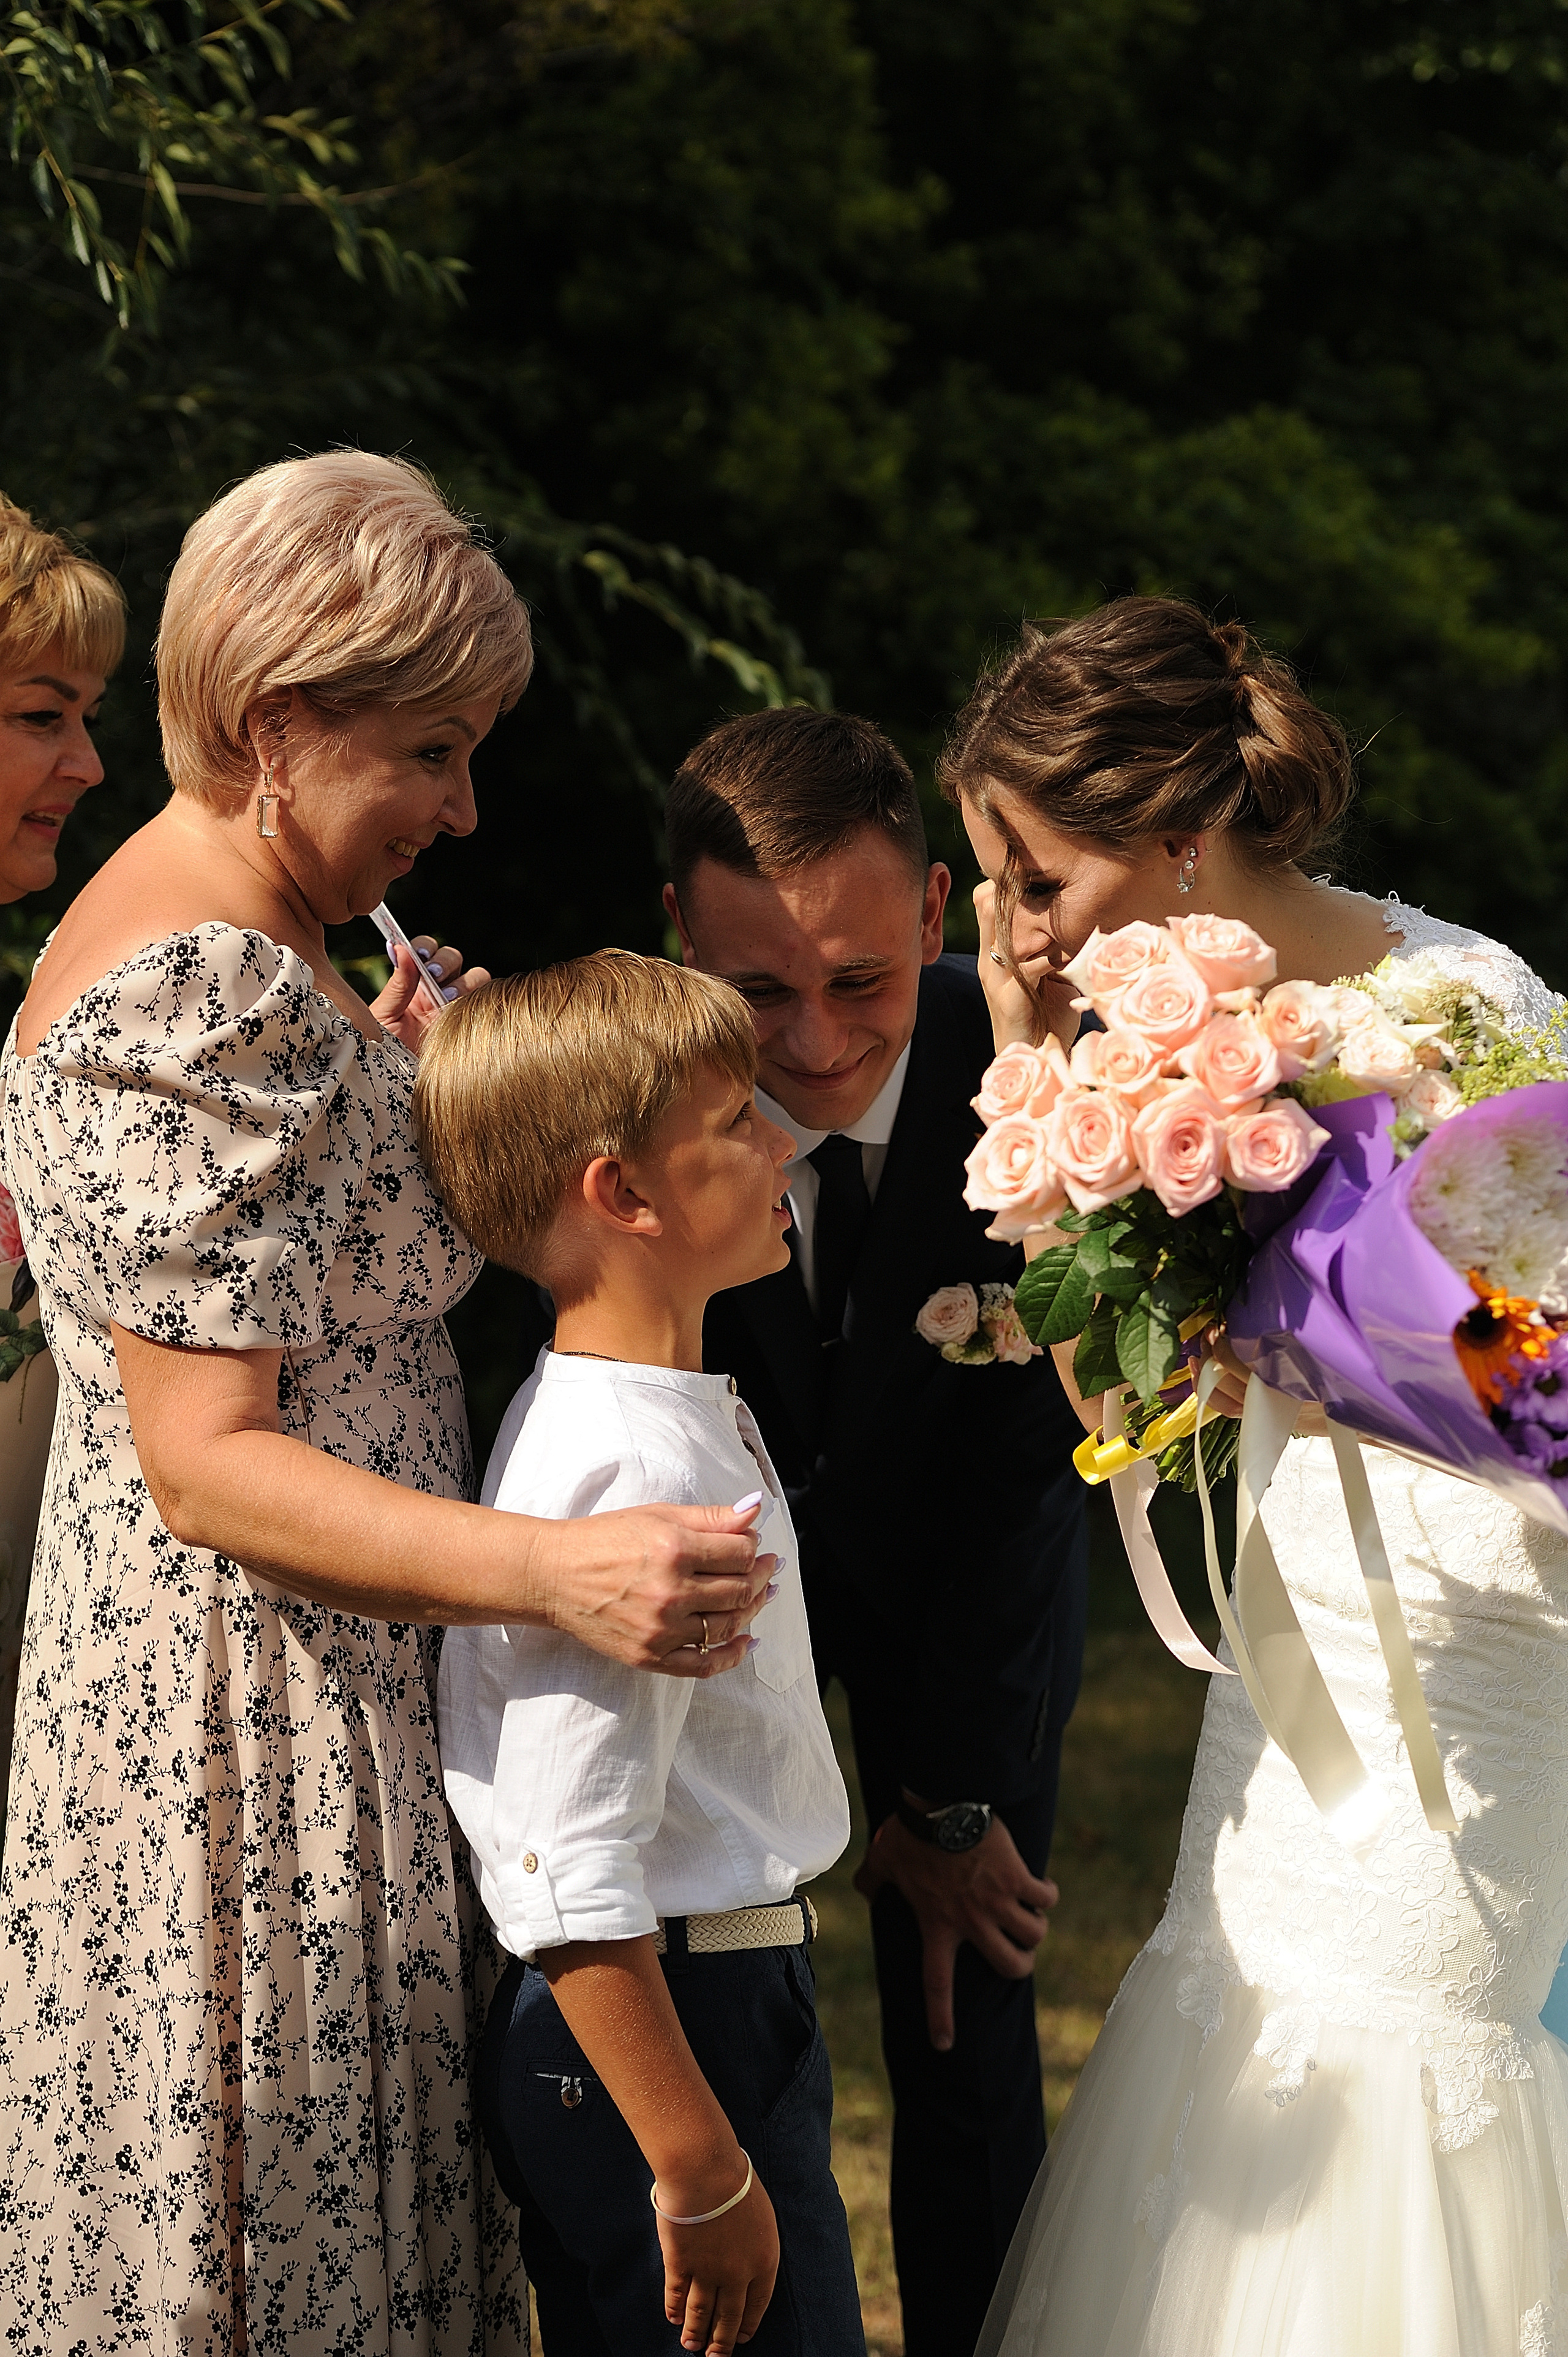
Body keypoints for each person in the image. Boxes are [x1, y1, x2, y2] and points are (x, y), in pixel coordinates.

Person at [0, 453, 774, 2357]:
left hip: (328, 1698)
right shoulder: (203, 990)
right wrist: (559, 1574)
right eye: (429, 751)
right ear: (280, 723)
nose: (463, 805)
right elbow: (206, 1466)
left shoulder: (284, 945)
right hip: (246, 1742)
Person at [944, 597, 1568, 2357]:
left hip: (1471, 1645)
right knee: (1239, 2019)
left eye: (1035, 877)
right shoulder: (1133, 1060)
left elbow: (1538, 1384)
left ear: (1176, 842)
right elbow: (1111, 1405)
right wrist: (1031, 1063)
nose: (1019, 923)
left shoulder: (1466, 1009)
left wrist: (1352, 1345)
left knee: (1404, 2055)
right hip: (1296, 1656)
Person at [662, 707, 1090, 2357]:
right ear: (680, 934)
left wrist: (950, 1800)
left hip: (970, 1596)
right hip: (725, 1597)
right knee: (723, 1997)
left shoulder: (1044, 1088)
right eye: (760, 990)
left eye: (863, 979)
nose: (821, 1039)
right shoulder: (645, 1081)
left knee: (963, 2003)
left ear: (931, 914)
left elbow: (1027, 1475)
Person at [417, 952, 863, 2357]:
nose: (781, 1138)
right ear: (622, 1194)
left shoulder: (658, 1411)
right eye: (735, 1122)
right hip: (662, 2024)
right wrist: (696, 2159)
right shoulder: (624, 1471)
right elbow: (565, 1859)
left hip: (721, 1998)